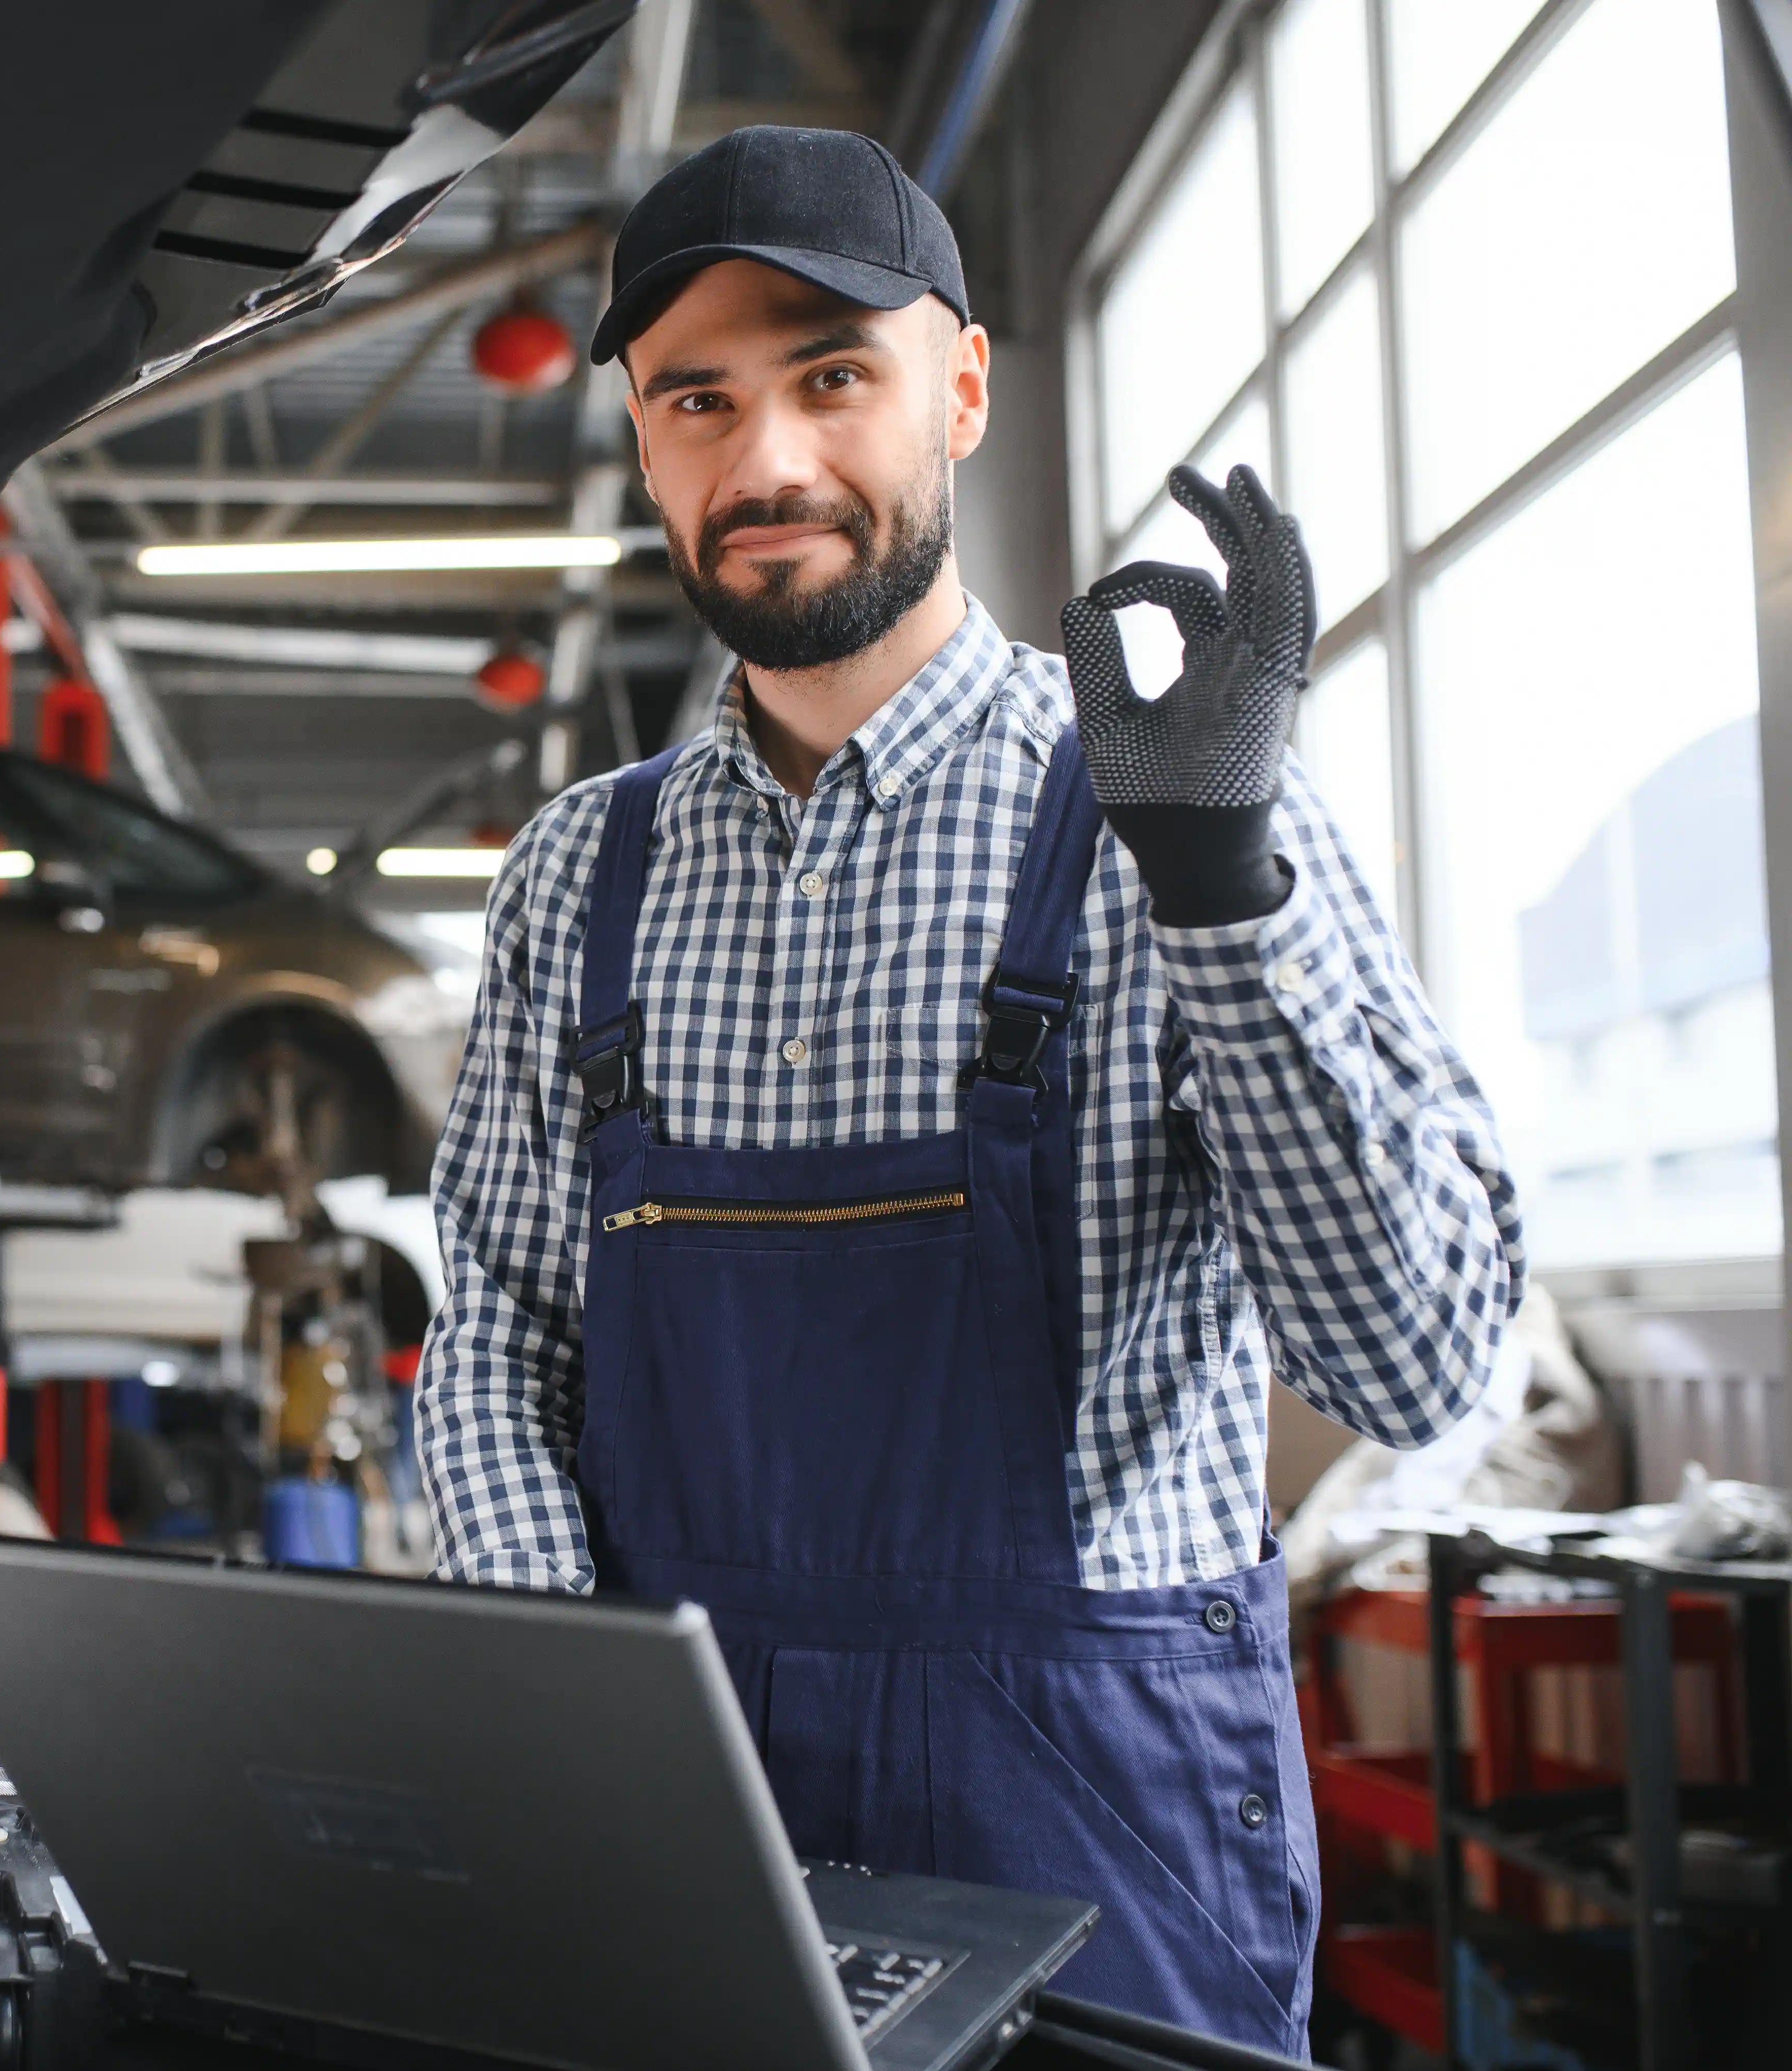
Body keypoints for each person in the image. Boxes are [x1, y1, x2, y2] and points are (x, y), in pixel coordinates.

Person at [416, 127, 1520, 2049]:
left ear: (962, 387)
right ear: (642, 438)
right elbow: (501, 1325)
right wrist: (558, 1697)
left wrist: (1217, 901)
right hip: (690, 1788)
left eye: (829, 376)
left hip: (1092, 1814)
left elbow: (1408, 1363)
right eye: (696, 399)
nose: (763, 464)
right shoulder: (571, 880)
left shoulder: (1177, 820)